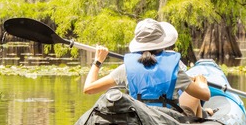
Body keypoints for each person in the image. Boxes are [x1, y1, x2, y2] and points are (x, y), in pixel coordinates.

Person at [82, 18, 211, 117]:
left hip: (139, 119)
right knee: (195, 97)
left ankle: (205, 113)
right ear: (163, 43)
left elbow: (88, 89)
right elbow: (205, 95)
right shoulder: (174, 70)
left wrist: (98, 61)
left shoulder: (125, 69)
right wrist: (201, 83)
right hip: (170, 122)